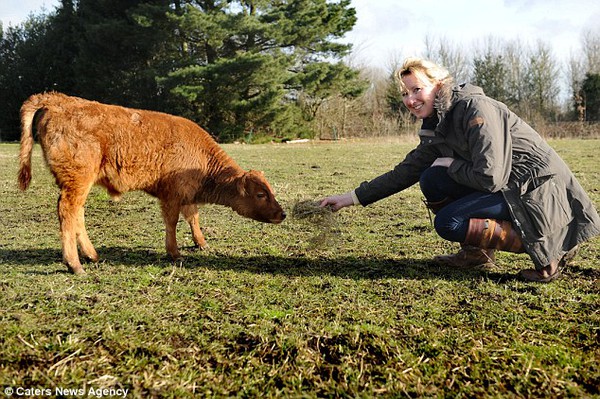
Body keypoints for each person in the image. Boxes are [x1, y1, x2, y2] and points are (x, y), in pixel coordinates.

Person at [320, 57, 600, 283]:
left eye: (417, 89)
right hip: (507, 186)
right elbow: (406, 171)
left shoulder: (475, 108)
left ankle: (555, 248)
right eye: (405, 93)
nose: (410, 99)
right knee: (432, 177)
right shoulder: (436, 124)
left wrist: (452, 164)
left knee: (448, 223)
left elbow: (491, 177)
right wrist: (350, 198)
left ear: (438, 85)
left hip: (536, 190)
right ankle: (476, 256)